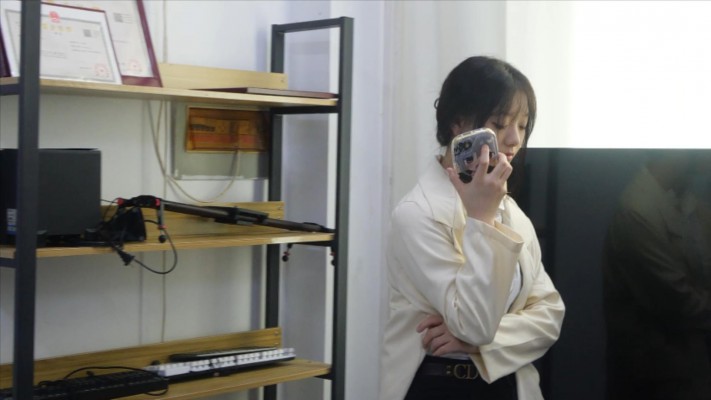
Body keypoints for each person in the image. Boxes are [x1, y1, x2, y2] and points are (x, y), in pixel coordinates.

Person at [380, 56, 565, 400]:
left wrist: (478, 344)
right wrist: (481, 219)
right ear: (458, 124)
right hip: (438, 385)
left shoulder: (511, 213)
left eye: (523, 125)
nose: (514, 139)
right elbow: (473, 322)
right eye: (500, 123)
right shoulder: (417, 214)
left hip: (507, 386)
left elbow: (550, 316)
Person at [602, 152, 711, 400]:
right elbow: (679, 303)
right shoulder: (637, 211)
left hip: (685, 376)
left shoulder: (688, 203)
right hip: (656, 382)